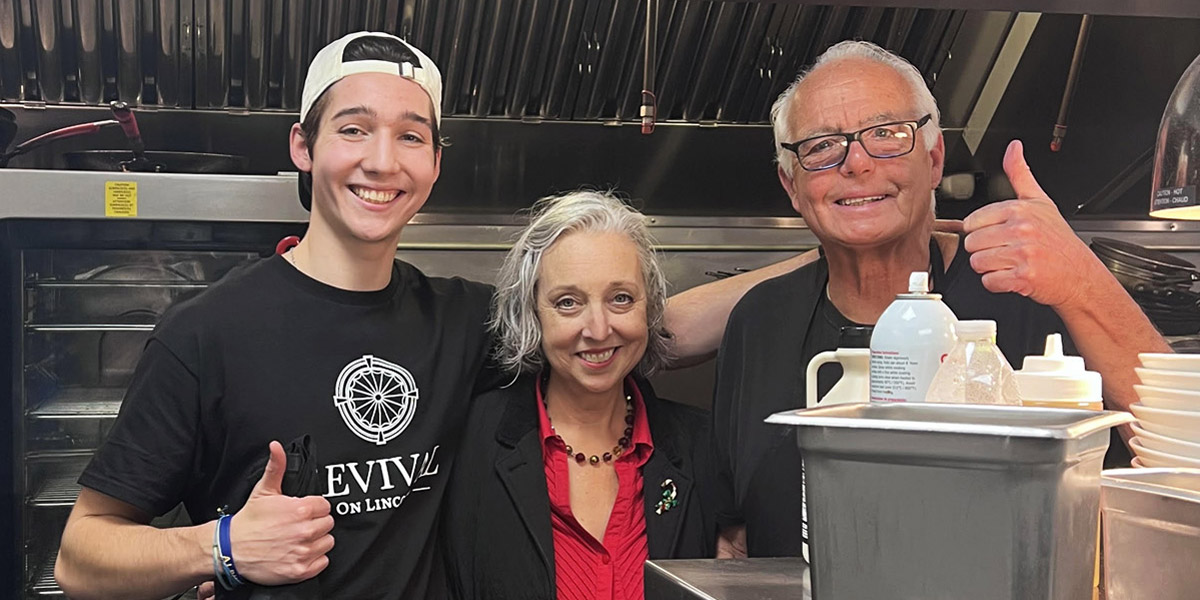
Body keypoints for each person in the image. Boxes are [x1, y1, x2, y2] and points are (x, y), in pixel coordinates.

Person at [53, 31, 784, 600]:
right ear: (303, 148)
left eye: (410, 136)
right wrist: (217, 547)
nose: (382, 161)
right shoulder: (204, 336)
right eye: (353, 129)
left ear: (435, 161)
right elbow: (82, 557)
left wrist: (833, 256)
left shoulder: (460, 322)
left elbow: (628, 333)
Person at [710, 40, 1170, 560]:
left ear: (934, 160)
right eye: (821, 146)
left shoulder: (1029, 296)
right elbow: (736, 539)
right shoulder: (757, 323)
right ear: (791, 187)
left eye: (886, 134)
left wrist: (1084, 283)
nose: (856, 163)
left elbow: (1180, 460)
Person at [441, 191, 714, 599]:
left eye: (621, 298)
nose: (599, 329)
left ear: (650, 306)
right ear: (532, 314)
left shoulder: (703, 448)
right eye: (568, 303)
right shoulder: (467, 444)